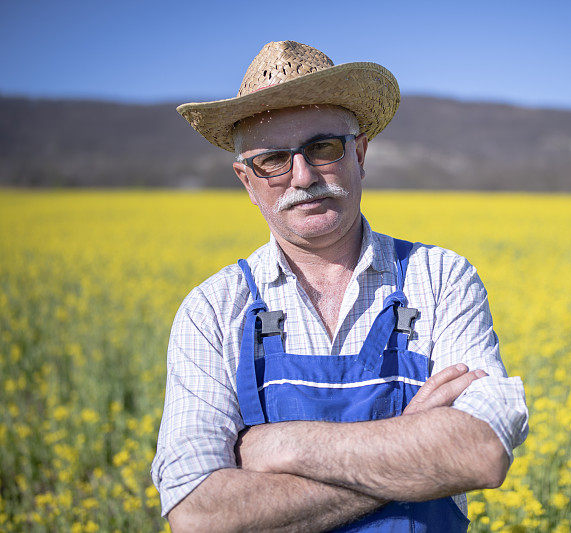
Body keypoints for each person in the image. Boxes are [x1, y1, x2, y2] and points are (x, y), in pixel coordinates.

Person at [151, 40, 529, 532]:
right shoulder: (213, 310)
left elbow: (479, 451)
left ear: (361, 153)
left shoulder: (440, 279)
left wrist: (280, 445)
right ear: (247, 181)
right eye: (273, 161)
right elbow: (200, 516)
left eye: (323, 148)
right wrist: (411, 443)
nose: (303, 176)